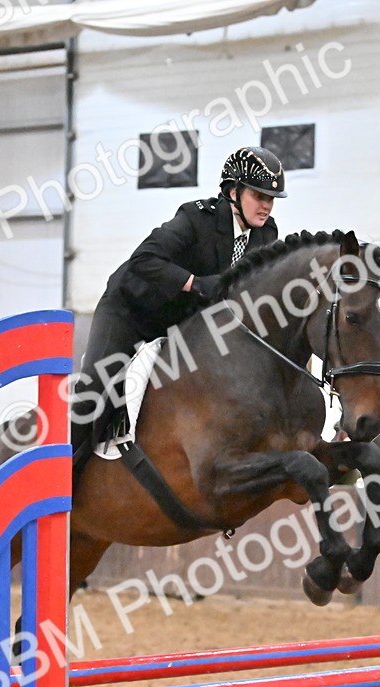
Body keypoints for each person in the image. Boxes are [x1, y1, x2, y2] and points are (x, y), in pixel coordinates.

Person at [71, 146, 288, 473]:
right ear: (233, 192)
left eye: (272, 198)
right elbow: (144, 259)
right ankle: (59, 476)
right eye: (259, 196)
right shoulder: (195, 218)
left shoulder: (267, 234)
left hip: (182, 322)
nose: (267, 206)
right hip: (132, 310)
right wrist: (196, 283)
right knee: (96, 388)